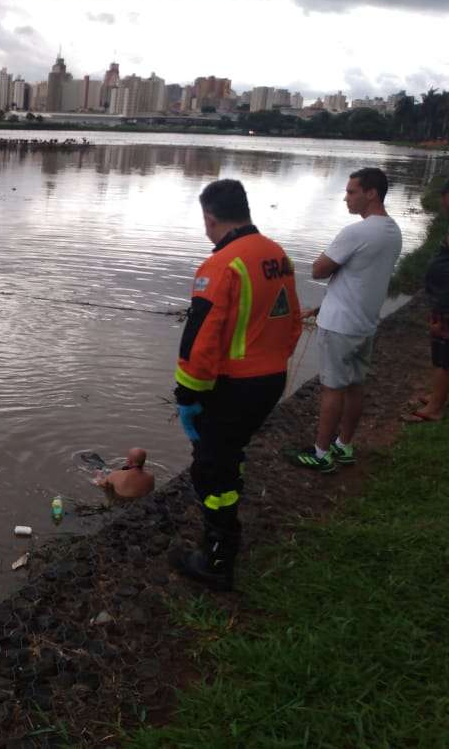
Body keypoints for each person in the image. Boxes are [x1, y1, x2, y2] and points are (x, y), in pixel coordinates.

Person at [169, 179, 302, 591]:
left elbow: (201, 339)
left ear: (210, 218)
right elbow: (291, 320)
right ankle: (225, 525)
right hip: (270, 378)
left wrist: (187, 394)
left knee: (209, 467)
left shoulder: (221, 265)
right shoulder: (275, 254)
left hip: (234, 386)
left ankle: (217, 557)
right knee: (228, 454)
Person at [290, 168, 402, 471]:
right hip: (365, 323)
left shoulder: (357, 232)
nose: (346, 198)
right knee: (355, 386)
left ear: (371, 193)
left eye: (352, 192)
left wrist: (328, 265)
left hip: (339, 325)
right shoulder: (393, 231)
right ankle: (344, 444)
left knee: (333, 389)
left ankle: (321, 453)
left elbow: (318, 270)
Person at [405, 175, 449, 422]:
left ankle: (434, 408)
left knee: (447, 356)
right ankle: (435, 395)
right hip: (444, 300)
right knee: (441, 351)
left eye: (444, 196)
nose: (442, 202)